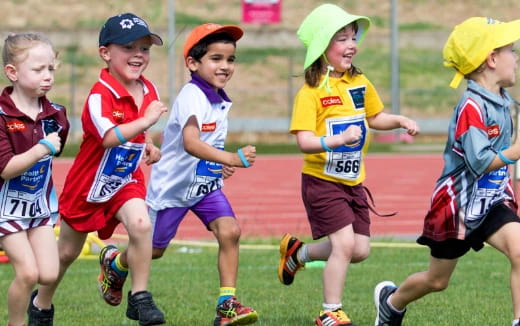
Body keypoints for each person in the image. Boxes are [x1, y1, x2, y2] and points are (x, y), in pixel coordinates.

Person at [277, 4, 419, 326]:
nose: (351, 44)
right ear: (321, 47)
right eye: (341, 38)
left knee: (359, 249)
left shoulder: (359, 82)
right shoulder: (310, 93)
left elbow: (375, 117)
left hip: (354, 180)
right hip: (321, 181)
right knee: (343, 244)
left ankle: (298, 254)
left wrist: (398, 120)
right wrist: (336, 141)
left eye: (353, 37)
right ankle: (331, 311)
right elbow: (304, 141)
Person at [374, 17, 520, 326]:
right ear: (491, 59)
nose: (517, 56)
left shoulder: (506, 102)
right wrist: (516, 151)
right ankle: (391, 302)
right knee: (437, 280)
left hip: (492, 200)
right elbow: (479, 162)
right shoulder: (471, 107)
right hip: (457, 207)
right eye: (511, 50)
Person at [28, 13, 168, 326]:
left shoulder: (150, 90)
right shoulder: (99, 95)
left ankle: (140, 298)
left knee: (142, 224)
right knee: (65, 254)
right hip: (89, 184)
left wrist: (147, 144)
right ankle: (41, 304)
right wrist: (145, 122)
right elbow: (107, 137)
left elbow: (134, 133)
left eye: (145, 48)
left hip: (124, 179)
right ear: (105, 52)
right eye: (129, 47)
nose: (138, 55)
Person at [145, 23, 258, 326]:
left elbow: (206, 146)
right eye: (216, 58)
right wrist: (232, 157)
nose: (225, 66)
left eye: (230, 59)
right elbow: (191, 142)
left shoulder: (218, 97)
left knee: (231, 232)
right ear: (193, 64)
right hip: (172, 190)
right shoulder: (193, 94)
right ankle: (116, 263)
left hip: (203, 187)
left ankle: (226, 305)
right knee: (152, 252)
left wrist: (218, 166)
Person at [0, 32, 69, 326]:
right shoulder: (2, 115)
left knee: (49, 274)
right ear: (12, 72)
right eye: (38, 69)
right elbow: (6, 168)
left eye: (51, 69)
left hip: (40, 207)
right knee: (27, 273)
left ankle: (34, 308)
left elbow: (59, 149)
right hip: (6, 209)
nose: (47, 76)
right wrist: (42, 147)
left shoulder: (56, 115)